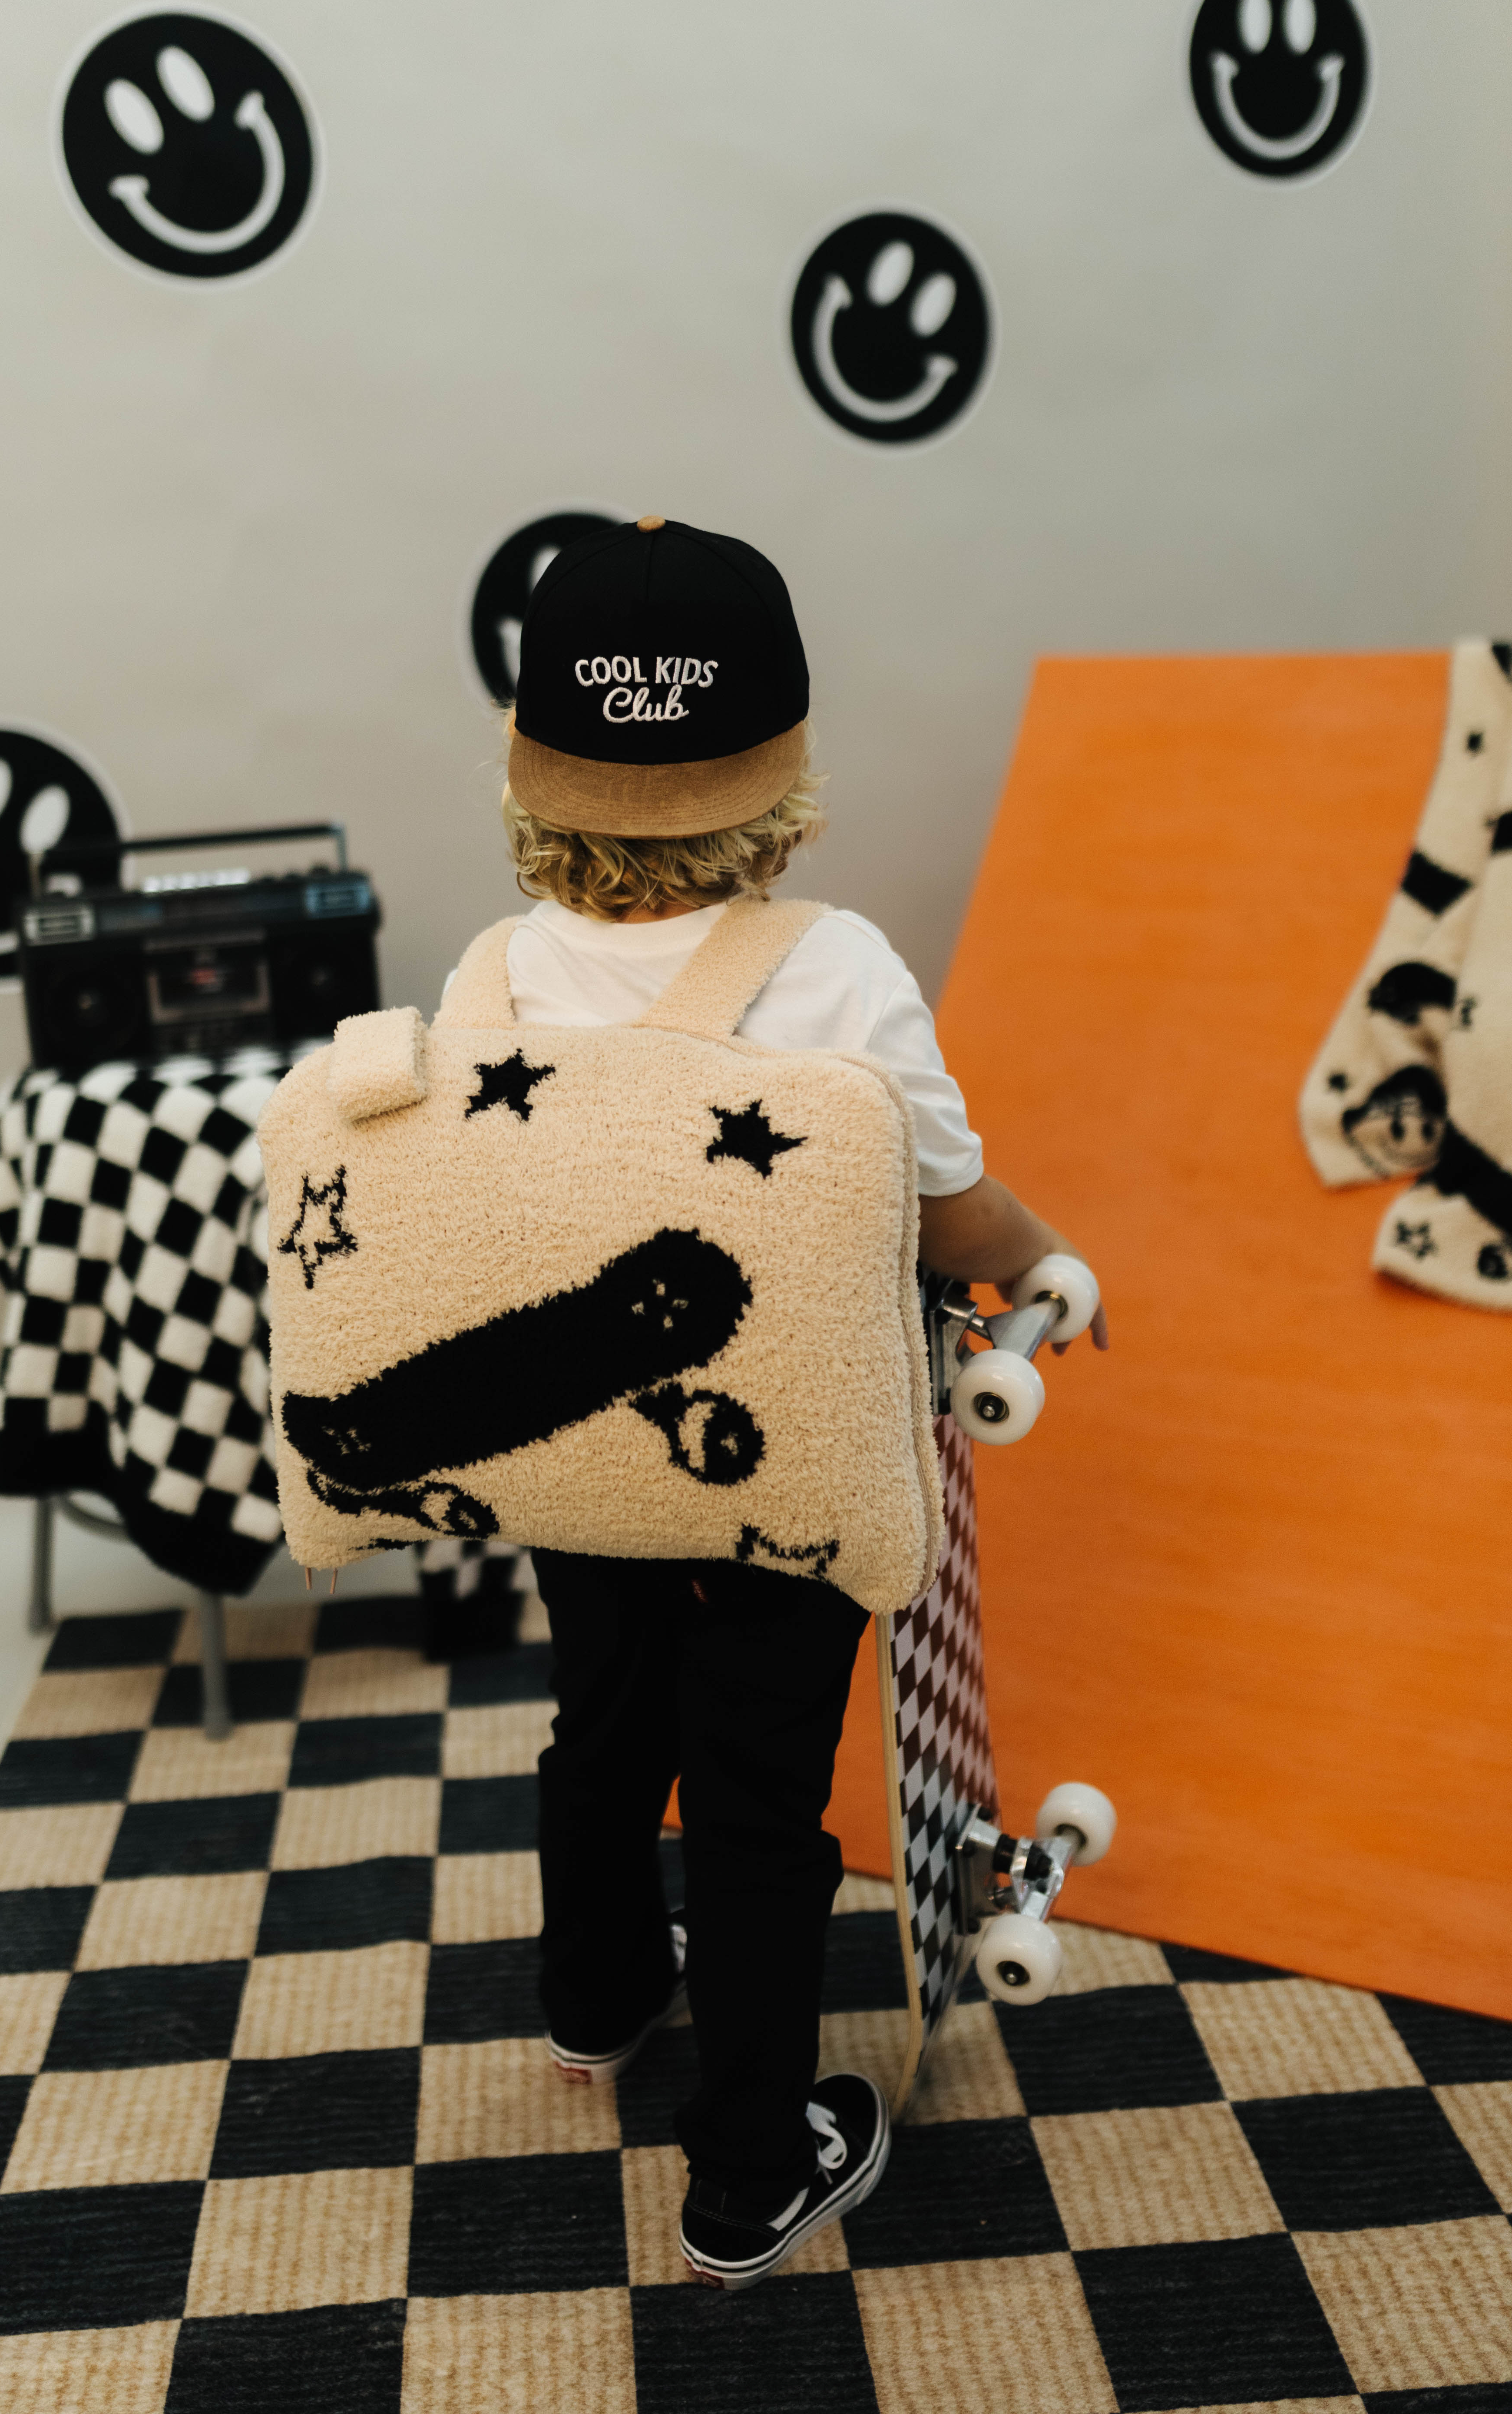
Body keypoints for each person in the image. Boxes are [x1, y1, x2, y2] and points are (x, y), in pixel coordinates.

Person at [467, 514, 1106, 2289]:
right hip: (789, 1467)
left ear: (534, 762)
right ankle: (752, 2164)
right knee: (755, 1794)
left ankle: (594, 1995)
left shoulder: (496, 969)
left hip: (577, 1453)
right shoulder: (837, 969)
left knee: (601, 1725)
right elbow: (947, 1211)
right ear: (780, 764)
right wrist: (1054, 1264)